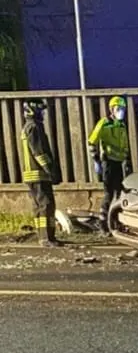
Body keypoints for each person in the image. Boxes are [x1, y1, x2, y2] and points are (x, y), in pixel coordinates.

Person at [20, 99, 63, 247]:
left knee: (41, 206)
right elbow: (39, 152)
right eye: (40, 110)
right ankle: (46, 238)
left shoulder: (29, 127)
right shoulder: (33, 128)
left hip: (33, 174)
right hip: (38, 174)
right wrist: (50, 170)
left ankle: (46, 236)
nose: (42, 113)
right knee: (46, 205)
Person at [88, 95, 131, 235]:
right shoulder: (104, 123)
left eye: (123, 109)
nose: (121, 112)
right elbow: (91, 141)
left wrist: (126, 161)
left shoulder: (122, 125)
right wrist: (96, 161)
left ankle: (116, 222)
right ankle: (103, 224)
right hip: (108, 162)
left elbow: (124, 144)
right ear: (111, 109)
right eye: (118, 109)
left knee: (119, 194)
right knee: (108, 194)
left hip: (119, 163)